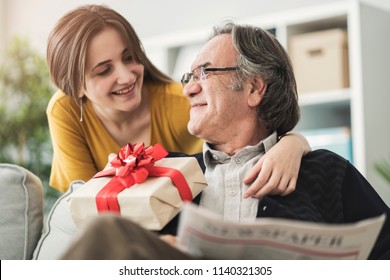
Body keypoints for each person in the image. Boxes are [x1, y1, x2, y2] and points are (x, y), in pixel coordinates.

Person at [60, 22, 390, 260]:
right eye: (188, 77)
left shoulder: (326, 172)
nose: (187, 89)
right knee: (105, 234)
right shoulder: (165, 172)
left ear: (253, 89)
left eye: (205, 73)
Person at [46, 4, 310, 195]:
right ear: (76, 86)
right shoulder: (64, 110)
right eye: (104, 70)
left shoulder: (179, 101)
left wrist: (293, 143)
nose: (126, 76)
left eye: (129, 58)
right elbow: (81, 201)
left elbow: (252, 127)